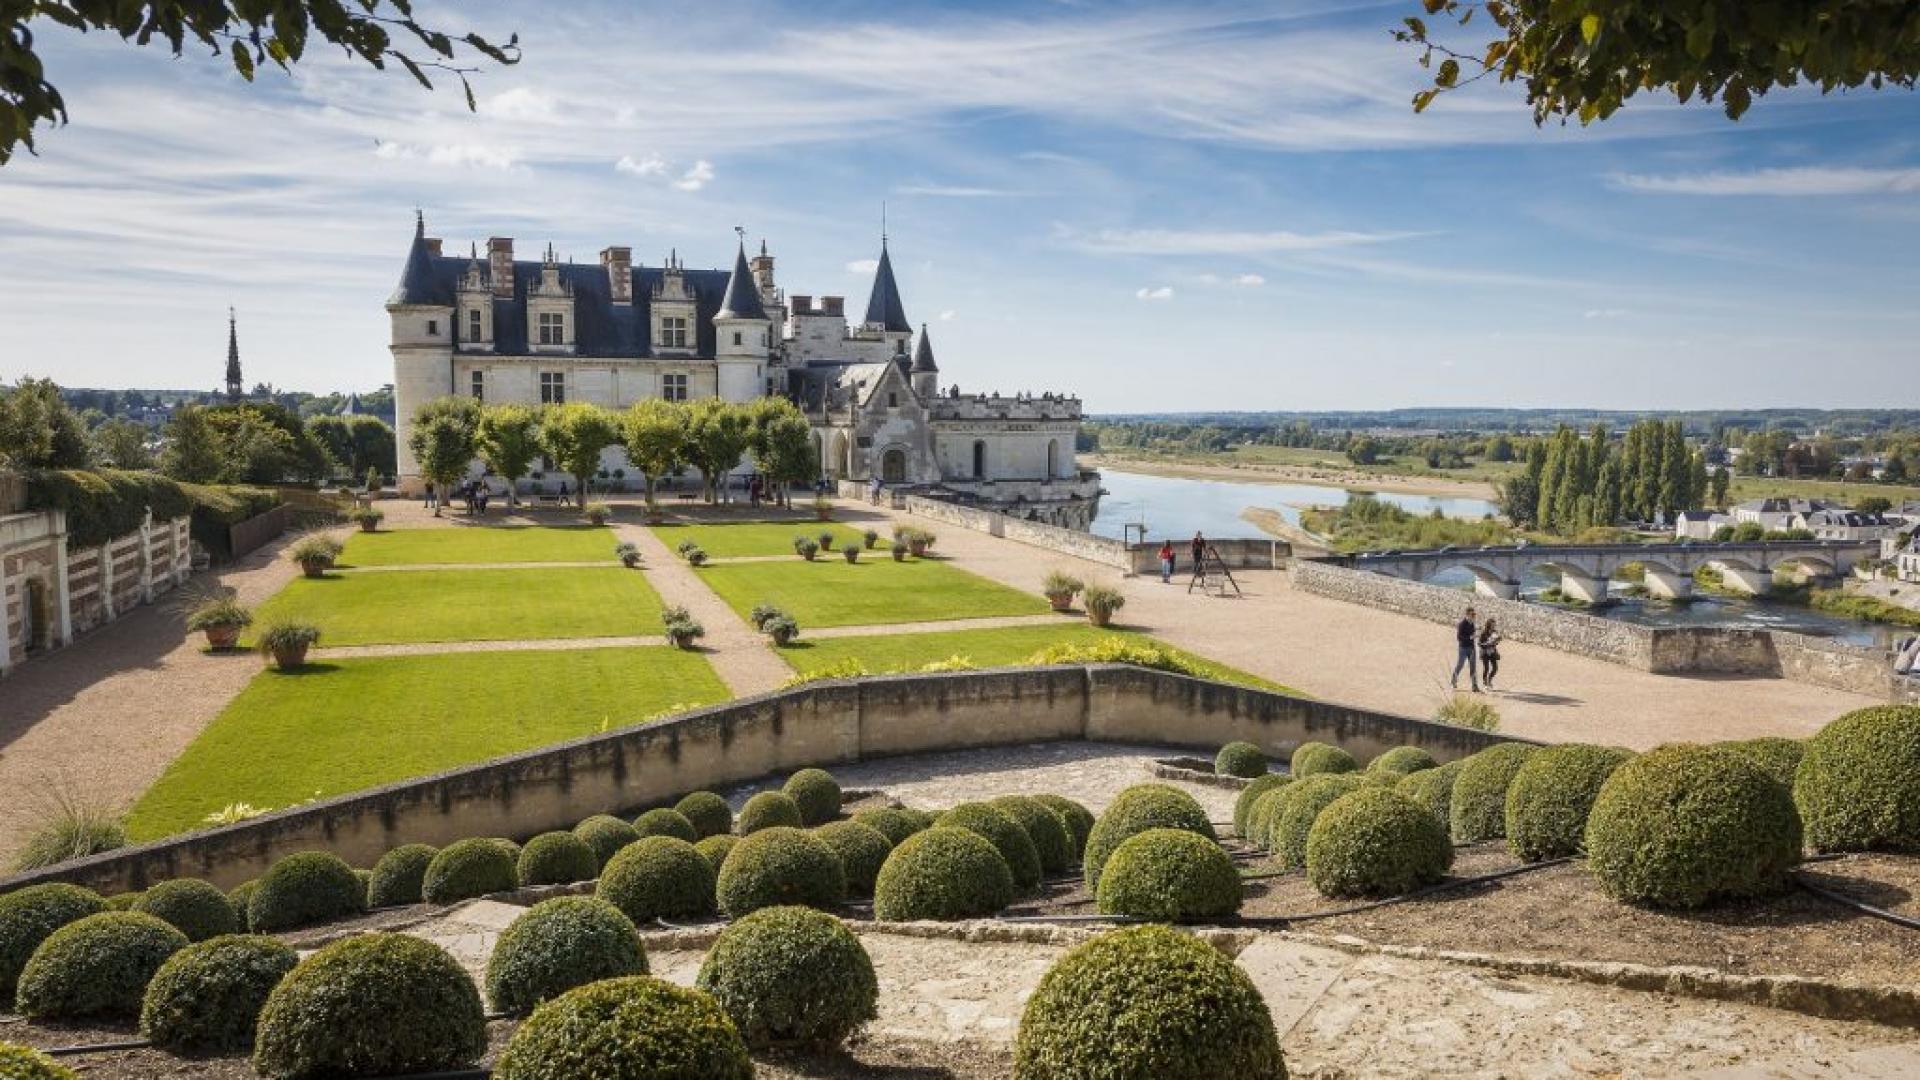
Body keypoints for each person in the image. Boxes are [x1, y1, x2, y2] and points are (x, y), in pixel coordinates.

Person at [1452, 606, 1480, 692]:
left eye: (1474, 614)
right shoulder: (1462, 624)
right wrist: (1470, 637)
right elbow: (1459, 637)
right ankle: (1454, 679)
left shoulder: (1472, 624)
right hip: (1463, 648)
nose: (1474, 616)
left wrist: (1475, 635)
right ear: (1467, 614)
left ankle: (1474, 686)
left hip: (1471, 648)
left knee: (1473, 666)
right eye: (1472, 614)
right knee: (1460, 665)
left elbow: (1472, 634)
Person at [1479, 617, 1502, 691]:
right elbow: (1479, 643)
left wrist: (1497, 640)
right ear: (1488, 625)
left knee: (1495, 668)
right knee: (1486, 668)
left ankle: (1489, 680)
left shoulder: (1495, 632)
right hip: (1485, 652)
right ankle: (1485, 683)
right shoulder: (1483, 633)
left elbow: (1496, 643)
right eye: (1492, 625)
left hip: (1492, 652)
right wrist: (1488, 643)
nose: (1493, 626)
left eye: (1494, 625)